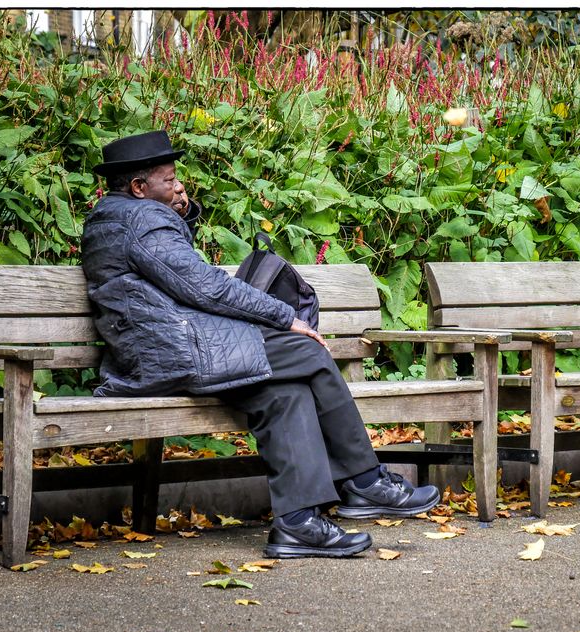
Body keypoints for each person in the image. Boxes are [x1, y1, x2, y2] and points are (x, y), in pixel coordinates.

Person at [81, 130, 439, 558]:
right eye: (169, 179)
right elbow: (204, 286)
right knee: (308, 351)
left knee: (283, 393)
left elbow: (169, 268)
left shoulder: (120, 216)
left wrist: (180, 211)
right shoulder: (140, 221)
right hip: (172, 352)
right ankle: (364, 481)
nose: (179, 185)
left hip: (159, 349)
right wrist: (285, 317)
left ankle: (298, 524)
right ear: (139, 188)